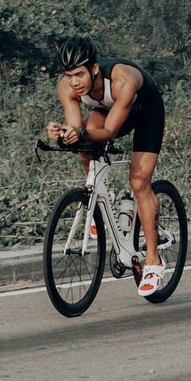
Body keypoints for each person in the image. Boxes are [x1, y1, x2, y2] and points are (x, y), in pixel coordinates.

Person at [44, 36, 169, 296]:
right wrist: (63, 133)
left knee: (139, 182)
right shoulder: (67, 88)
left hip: (146, 112)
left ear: (94, 69)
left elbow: (110, 131)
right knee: (83, 142)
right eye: (69, 76)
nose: (74, 82)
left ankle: (154, 261)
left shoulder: (123, 79)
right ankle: (101, 198)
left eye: (79, 74)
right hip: (108, 110)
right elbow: (77, 129)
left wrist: (80, 133)